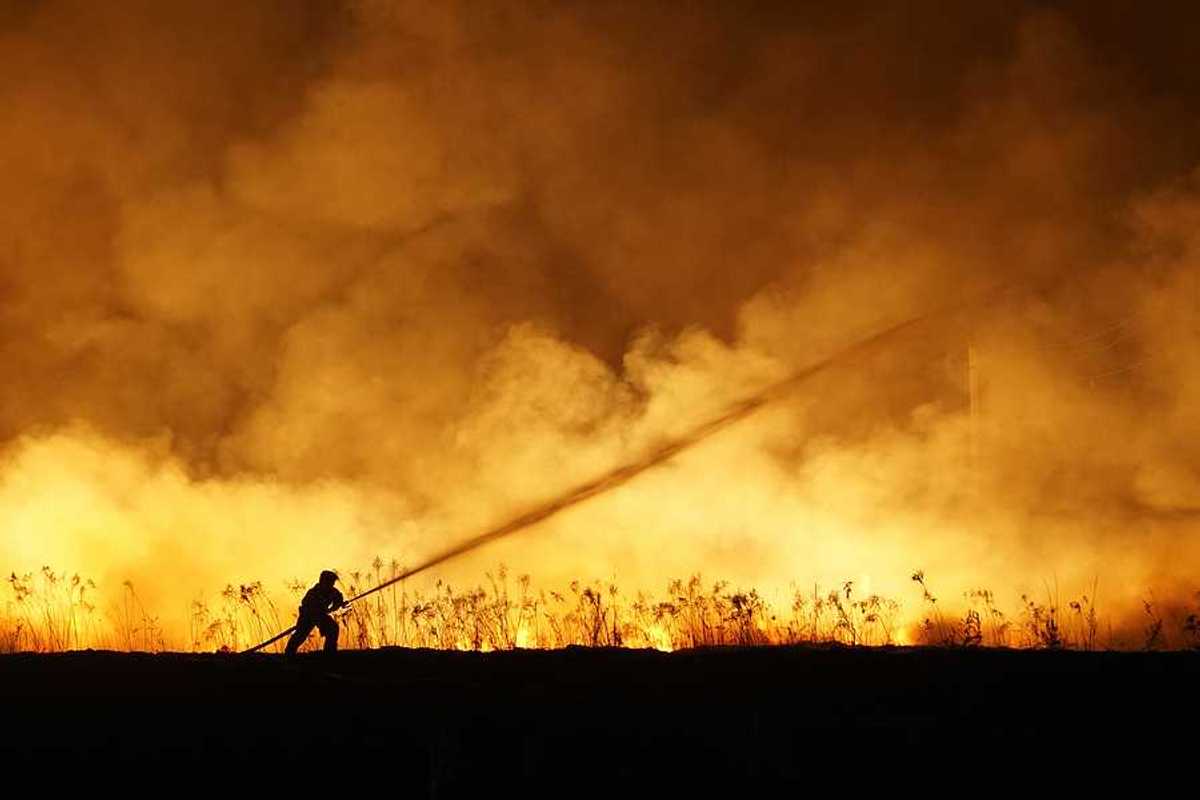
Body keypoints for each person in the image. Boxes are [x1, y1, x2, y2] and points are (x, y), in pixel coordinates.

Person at [285, 570, 345, 655]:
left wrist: (338, 605)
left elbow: (338, 600)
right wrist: (316, 613)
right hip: (307, 616)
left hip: (321, 616)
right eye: (329, 582)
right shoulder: (313, 593)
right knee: (301, 634)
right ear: (322, 581)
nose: (331, 584)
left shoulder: (333, 591)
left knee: (333, 628)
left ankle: (329, 652)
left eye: (332, 582)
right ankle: (289, 653)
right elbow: (305, 605)